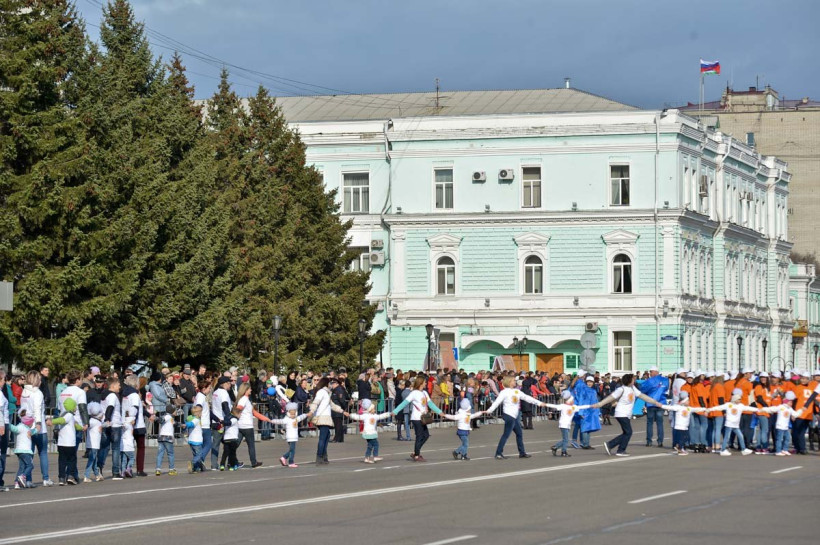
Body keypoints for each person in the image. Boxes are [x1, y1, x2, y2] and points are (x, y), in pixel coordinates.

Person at [595, 373, 662, 457]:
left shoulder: (633, 388)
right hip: (621, 413)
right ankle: (618, 449)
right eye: (633, 379)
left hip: (626, 414)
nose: (634, 380)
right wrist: (600, 404)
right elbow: (610, 397)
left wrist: (655, 402)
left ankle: (612, 445)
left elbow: (642, 396)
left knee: (626, 432)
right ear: (629, 381)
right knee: (628, 432)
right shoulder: (621, 389)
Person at [484, 375, 545, 460]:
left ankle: (522, 453)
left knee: (519, 433)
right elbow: (497, 402)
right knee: (506, 434)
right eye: (513, 380)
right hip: (508, 415)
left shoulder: (517, 391)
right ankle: (498, 453)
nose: (515, 382)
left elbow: (527, 398)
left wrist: (538, 403)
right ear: (509, 382)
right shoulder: (504, 392)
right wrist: (489, 410)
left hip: (514, 416)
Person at [392, 376, 443, 462]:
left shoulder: (424, 393)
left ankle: (416, 452)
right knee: (419, 436)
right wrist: (396, 411)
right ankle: (416, 455)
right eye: (424, 382)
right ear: (421, 383)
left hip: (423, 418)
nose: (426, 383)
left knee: (426, 435)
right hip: (416, 418)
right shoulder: (414, 393)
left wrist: (439, 412)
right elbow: (404, 403)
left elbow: (430, 404)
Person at [20, 371, 52, 486]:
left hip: (26, 426)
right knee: (43, 453)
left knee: (29, 454)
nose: (40, 381)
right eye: (39, 379)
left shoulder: (24, 392)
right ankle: (45, 478)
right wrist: (38, 423)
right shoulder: (38, 393)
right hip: (38, 427)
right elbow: (37, 409)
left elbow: (22, 410)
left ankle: (28, 480)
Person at [235, 382, 273, 468]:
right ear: (245, 390)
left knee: (235, 444)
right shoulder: (244, 400)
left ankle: (231, 460)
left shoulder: (245, 399)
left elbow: (254, 413)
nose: (251, 390)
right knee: (251, 445)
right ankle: (253, 462)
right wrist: (237, 415)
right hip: (247, 426)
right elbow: (238, 409)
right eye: (249, 389)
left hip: (241, 425)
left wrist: (266, 419)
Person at [545, 390, 591, 457]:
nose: (573, 401)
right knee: (566, 439)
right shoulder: (563, 406)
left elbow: (581, 407)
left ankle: (555, 447)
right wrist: (545, 404)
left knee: (565, 439)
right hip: (563, 424)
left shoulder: (573, 407)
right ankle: (563, 452)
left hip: (567, 425)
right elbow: (554, 406)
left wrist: (590, 406)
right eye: (572, 400)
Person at [345, 399, 392, 463]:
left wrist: (389, 414)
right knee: (376, 444)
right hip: (370, 433)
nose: (375, 410)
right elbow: (358, 417)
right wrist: (350, 415)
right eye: (373, 409)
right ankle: (375, 456)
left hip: (367, 433)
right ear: (370, 410)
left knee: (370, 446)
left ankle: (367, 458)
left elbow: (358, 417)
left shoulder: (371, 416)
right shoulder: (370, 416)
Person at [308, 377, 343, 465]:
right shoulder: (321, 392)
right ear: (326, 384)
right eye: (329, 383)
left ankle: (324, 456)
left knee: (326, 436)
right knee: (323, 438)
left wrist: (342, 411)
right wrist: (311, 411)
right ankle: (319, 456)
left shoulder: (327, 393)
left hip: (326, 417)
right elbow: (316, 402)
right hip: (322, 417)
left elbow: (332, 405)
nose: (331, 385)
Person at [711, 388, 756, 456]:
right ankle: (723, 450)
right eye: (739, 399)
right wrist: (710, 409)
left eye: (740, 399)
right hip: (729, 424)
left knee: (740, 436)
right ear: (735, 399)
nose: (740, 400)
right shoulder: (728, 405)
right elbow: (719, 407)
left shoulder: (740, 406)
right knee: (727, 437)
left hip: (735, 425)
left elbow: (748, 408)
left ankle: (743, 449)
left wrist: (758, 409)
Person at [50, 397, 82, 485]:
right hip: (69, 443)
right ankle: (70, 476)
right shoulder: (69, 415)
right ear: (72, 407)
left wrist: (82, 428)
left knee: (62, 460)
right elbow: (62, 421)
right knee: (72, 460)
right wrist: (52, 421)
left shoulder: (63, 414)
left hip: (61, 443)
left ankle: (61, 478)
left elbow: (76, 426)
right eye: (75, 406)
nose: (76, 408)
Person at [761, 391, 804, 455]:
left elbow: (795, 414)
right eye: (790, 402)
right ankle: (778, 451)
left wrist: (801, 410)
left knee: (787, 438)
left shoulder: (790, 409)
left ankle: (785, 449)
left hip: (786, 427)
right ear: (786, 402)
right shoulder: (781, 407)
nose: (791, 403)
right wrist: (764, 409)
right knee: (779, 439)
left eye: (791, 402)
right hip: (780, 426)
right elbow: (773, 409)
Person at [99, 377, 123, 480]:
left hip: (105, 424)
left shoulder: (103, 395)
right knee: (116, 448)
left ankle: (98, 469)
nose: (120, 387)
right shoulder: (112, 395)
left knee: (104, 447)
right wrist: (108, 419)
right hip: (114, 424)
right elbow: (110, 407)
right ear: (112, 386)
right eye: (118, 385)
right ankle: (116, 472)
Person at [273, 403, 312, 468]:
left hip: (294, 437)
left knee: (292, 450)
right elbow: (280, 421)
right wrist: (272, 421)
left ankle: (284, 458)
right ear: (288, 413)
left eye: (294, 414)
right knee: (292, 450)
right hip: (290, 437)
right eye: (291, 414)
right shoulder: (286, 419)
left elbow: (301, 417)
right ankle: (290, 462)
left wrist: (307, 414)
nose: (293, 415)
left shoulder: (296, 418)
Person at [639, 366, 668, 447]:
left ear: (655, 372)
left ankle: (649, 441)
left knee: (650, 423)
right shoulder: (665, 380)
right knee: (660, 423)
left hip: (651, 403)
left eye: (651, 372)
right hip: (661, 403)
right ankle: (660, 441)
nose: (650, 373)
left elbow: (642, 389)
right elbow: (666, 389)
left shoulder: (649, 381)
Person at [210, 376, 233, 470]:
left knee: (216, 444)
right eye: (229, 383)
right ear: (224, 384)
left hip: (215, 421)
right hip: (222, 422)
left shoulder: (215, 392)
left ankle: (214, 464)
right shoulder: (224, 393)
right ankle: (231, 462)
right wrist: (229, 417)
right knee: (229, 443)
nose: (230, 385)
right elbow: (225, 405)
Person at [11, 409, 35, 489]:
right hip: (25, 451)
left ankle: (16, 483)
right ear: (28, 422)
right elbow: (14, 428)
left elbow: (33, 431)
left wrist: (37, 429)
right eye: (32, 423)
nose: (32, 424)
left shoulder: (26, 428)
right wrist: (7, 424)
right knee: (30, 466)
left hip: (19, 451)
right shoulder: (21, 427)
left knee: (21, 467)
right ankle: (23, 476)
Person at [193, 381, 212, 472]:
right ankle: (199, 460)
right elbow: (198, 407)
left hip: (203, 424)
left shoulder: (201, 396)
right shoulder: (201, 397)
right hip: (203, 424)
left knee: (201, 446)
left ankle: (197, 466)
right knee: (208, 444)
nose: (210, 390)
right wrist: (198, 419)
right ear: (204, 389)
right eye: (209, 388)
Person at [84, 402, 104, 482]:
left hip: (92, 444)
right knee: (92, 459)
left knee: (94, 459)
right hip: (94, 444)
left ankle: (97, 474)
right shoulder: (94, 421)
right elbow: (87, 426)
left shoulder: (94, 421)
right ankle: (86, 475)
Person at [186, 405, 205, 473]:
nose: (201, 414)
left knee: (195, 455)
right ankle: (192, 463)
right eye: (201, 412)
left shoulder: (192, 419)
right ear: (198, 413)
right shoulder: (196, 420)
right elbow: (191, 424)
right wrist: (186, 425)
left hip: (191, 440)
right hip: (196, 441)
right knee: (199, 454)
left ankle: (196, 468)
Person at [329, 377, 349, 443]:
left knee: (338, 425)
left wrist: (343, 408)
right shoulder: (335, 390)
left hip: (338, 410)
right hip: (336, 410)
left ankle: (337, 438)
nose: (332, 385)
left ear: (337, 383)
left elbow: (342, 400)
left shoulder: (339, 390)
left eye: (333, 383)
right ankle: (339, 438)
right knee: (338, 425)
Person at [0, 370, 9, 492]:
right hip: (3, 424)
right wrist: (2, 425)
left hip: (3, 423)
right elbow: (0, 411)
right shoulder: (0, 394)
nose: (4, 382)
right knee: (2, 453)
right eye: (3, 380)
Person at [120, 410, 136, 478]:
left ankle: (123, 472)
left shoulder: (124, 423)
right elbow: (127, 427)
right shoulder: (129, 424)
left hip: (122, 445)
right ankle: (128, 468)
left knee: (124, 460)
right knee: (132, 458)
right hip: (129, 445)